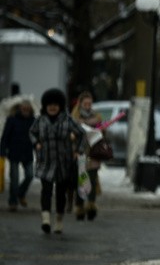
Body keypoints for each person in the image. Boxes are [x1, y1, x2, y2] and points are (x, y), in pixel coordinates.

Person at [29, 88, 85, 234]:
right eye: (49, 105)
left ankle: (59, 220)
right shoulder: (40, 120)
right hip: (45, 161)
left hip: (63, 162)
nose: (52, 107)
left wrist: (78, 151)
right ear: (45, 106)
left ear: (60, 106)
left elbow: (82, 134)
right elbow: (31, 132)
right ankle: (46, 219)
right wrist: (36, 143)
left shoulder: (67, 120)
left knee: (61, 193)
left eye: (55, 104)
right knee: (46, 191)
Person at [71, 91, 104, 220]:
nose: (88, 106)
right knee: (82, 181)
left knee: (93, 179)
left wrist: (100, 130)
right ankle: (79, 207)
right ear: (80, 104)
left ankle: (91, 206)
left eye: (90, 103)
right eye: (85, 103)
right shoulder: (75, 118)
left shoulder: (97, 117)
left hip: (94, 152)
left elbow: (103, 133)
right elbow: (71, 136)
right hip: (81, 153)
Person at [0, 99, 35, 211]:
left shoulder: (33, 121)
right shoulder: (12, 120)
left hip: (27, 153)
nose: (25, 111)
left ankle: (20, 193)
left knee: (30, 175)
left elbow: (36, 137)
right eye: (23, 108)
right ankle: (12, 201)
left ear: (30, 110)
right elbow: (5, 136)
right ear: (20, 109)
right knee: (14, 179)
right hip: (14, 152)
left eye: (27, 109)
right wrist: (2, 151)